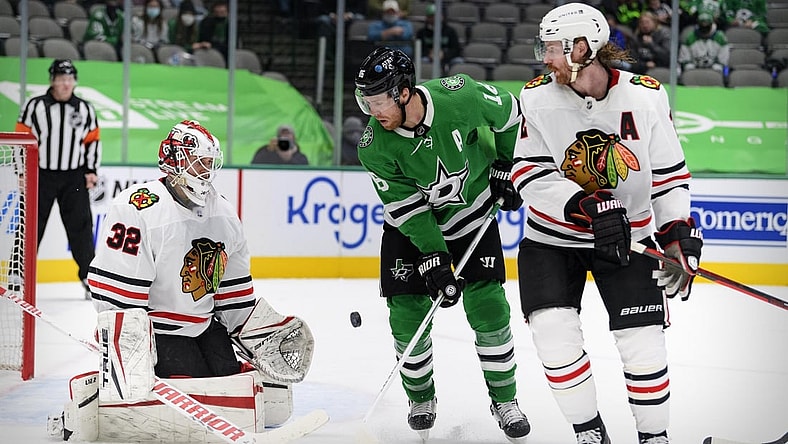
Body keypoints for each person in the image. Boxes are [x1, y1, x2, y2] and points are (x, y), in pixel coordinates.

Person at [511, 3, 703, 444]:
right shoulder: (536, 96)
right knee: (554, 335)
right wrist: (583, 204)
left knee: (643, 342)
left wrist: (676, 232)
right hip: (552, 240)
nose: (546, 58)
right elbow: (528, 172)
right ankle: (588, 432)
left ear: (584, 46)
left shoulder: (646, 95)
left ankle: (654, 436)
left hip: (631, 239)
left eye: (554, 48)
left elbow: (670, 177)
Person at [354, 46, 530, 443]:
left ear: (403, 91)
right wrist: (434, 254)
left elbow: (512, 113)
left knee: (489, 307)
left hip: (473, 216)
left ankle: (505, 401)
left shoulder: (460, 97)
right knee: (407, 315)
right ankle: (420, 399)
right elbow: (406, 207)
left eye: (378, 100)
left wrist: (507, 164)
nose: (372, 110)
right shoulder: (373, 146)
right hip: (411, 231)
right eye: (365, 101)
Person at [87, 120, 255, 378]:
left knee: (230, 378)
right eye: (199, 162)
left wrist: (253, 337)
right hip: (158, 329)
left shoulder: (224, 213)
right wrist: (128, 352)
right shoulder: (136, 208)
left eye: (209, 163)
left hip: (205, 326)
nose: (206, 171)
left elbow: (233, 292)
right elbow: (119, 299)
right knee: (195, 382)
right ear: (176, 161)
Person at [14, 59, 101, 300]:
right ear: (52, 80)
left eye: (69, 79)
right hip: (41, 174)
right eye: (60, 79)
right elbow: (22, 139)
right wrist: (22, 172)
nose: (65, 84)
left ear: (74, 81)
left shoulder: (85, 109)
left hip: (73, 175)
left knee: (81, 228)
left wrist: (91, 170)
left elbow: (92, 140)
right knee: (30, 225)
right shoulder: (35, 106)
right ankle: (17, 275)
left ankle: (88, 277)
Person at [415, 3, 464, 73]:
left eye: (436, 15)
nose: (434, 18)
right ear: (427, 17)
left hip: (447, 58)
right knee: (422, 61)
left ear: (442, 16)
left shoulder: (450, 31)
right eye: (431, 16)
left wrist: (444, 54)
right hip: (429, 58)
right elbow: (419, 49)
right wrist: (429, 54)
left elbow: (456, 49)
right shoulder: (422, 32)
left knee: (458, 61)